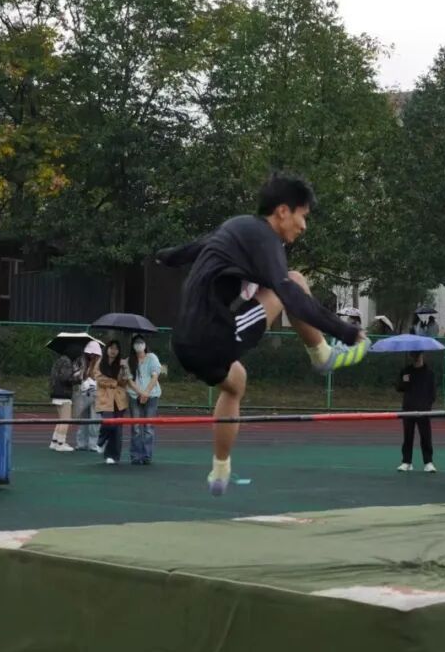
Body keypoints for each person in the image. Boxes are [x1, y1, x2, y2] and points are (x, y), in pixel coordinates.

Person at [155, 173, 371, 496]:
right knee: (294, 281)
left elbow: (195, 247)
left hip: (184, 342)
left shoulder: (236, 228)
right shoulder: (265, 239)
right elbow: (291, 297)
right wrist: (347, 331)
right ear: (283, 211)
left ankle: (220, 471)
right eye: (303, 216)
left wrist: (165, 255)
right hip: (212, 340)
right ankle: (323, 355)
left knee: (236, 383)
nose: (304, 226)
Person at [396, 352, 436, 472]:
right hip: (408, 409)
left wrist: (427, 406)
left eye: (418, 355)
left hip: (424, 410)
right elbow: (399, 388)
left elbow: (433, 392)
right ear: (411, 356)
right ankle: (406, 462)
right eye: (414, 355)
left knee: (426, 436)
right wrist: (404, 380)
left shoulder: (429, 373)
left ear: (422, 355)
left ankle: (428, 462)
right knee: (408, 436)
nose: (416, 357)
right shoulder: (406, 371)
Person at [126, 335, 161, 465]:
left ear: (145, 344)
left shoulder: (152, 358)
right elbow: (129, 380)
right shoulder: (129, 361)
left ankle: (147, 456)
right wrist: (140, 393)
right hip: (134, 396)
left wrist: (146, 393)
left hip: (152, 396)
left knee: (148, 427)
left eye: (141, 342)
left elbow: (155, 376)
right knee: (135, 427)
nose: (139, 345)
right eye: (136, 343)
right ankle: (135, 456)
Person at [94, 340, 130, 465]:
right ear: (107, 349)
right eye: (111, 348)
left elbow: (124, 382)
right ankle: (100, 441)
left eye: (116, 349)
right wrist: (114, 382)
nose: (113, 351)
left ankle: (113, 456)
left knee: (117, 430)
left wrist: (125, 369)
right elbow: (99, 378)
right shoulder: (100, 362)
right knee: (108, 424)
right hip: (105, 398)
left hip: (119, 399)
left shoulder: (121, 364)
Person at [48, 342, 83, 452]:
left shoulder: (60, 360)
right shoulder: (67, 362)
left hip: (56, 392)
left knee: (61, 419)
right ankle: (61, 443)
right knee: (66, 420)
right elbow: (66, 378)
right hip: (63, 393)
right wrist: (78, 378)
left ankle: (55, 441)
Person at [73, 341, 103, 452]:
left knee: (95, 420)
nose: (91, 355)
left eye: (93, 353)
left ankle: (93, 444)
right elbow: (79, 375)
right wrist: (79, 375)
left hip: (96, 394)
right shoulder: (84, 363)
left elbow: (102, 378)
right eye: (89, 353)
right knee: (83, 420)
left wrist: (93, 381)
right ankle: (82, 443)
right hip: (84, 393)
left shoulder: (101, 363)